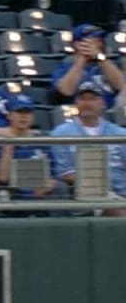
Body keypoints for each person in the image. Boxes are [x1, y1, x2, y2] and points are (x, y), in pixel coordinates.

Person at [51, 83, 126, 216]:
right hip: (88, 195)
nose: (87, 103)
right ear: (76, 103)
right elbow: (66, 174)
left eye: (92, 99)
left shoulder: (120, 133)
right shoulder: (61, 133)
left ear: (102, 103)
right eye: (83, 99)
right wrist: (100, 187)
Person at [0, 94, 70, 210]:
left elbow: (54, 172)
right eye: (19, 112)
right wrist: (9, 146)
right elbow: (2, 178)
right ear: (9, 115)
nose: (24, 117)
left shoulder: (41, 141)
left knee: (60, 187)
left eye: (27, 113)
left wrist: (50, 183)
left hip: (43, 193)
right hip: (14, 196)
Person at [52, 24, 123, 108]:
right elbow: (66, 91)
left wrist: (100, 58)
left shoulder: (109, 64)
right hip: (78, 114)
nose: (99, 44)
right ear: (77, 44)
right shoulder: (65, 66)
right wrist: (83, 59)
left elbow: (121, 86)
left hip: (109, 114)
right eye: (94, 41)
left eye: (100, 40)